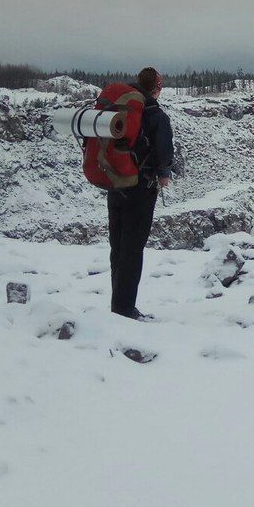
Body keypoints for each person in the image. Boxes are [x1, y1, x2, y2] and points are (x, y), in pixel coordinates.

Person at [109, 66, 175, 319]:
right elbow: (165, 151)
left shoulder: (120, 108)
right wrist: (164, 174)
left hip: (115, 183)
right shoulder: (155, 114)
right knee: (133, 249)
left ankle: (117, 304)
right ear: (156, 87)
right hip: (140, 188)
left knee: (117, 245)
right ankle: (124, 309)